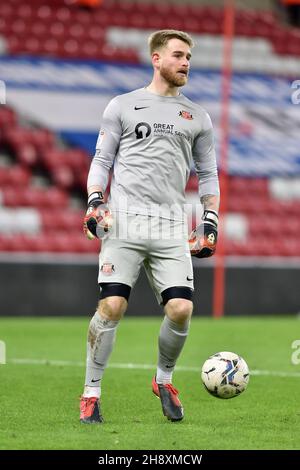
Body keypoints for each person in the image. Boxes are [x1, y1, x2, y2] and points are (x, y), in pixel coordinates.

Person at [80, 29, 220, 424]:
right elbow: (102, 160)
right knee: (112, 305)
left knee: (180, 309)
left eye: (188, 56)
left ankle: (163, 379)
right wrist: (94, 201)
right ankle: (91, 392)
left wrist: (210, 220)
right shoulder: (123, 106)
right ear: (156, 59)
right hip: (124, 223)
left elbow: (209, 175)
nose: (186, 62)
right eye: (178, 55)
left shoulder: (197, 116)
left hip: (171, 227)